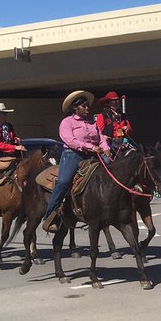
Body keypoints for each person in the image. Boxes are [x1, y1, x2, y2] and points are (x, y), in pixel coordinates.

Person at [43, 90, 110, 233]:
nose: (87, 108)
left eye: (87, 106)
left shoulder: (92, 122)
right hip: (73, 155)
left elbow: (101, 137)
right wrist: (91, 147)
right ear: (75, 108)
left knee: (111, 174)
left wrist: (106, 148)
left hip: (92, 155)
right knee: (63, 182)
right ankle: (50, 215)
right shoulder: (67, 122)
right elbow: (70, 141)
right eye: (84, 106)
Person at [94, 91, 134, 157]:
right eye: (114, 101)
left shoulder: (122, 116)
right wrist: (104, 137)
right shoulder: (102, 116)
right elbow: (97, 133)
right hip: (109, 144)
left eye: (118, 101)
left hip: (123, 143)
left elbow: (130, 130)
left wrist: (127, 129)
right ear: (108, 103)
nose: (117, 102)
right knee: (108, 162)